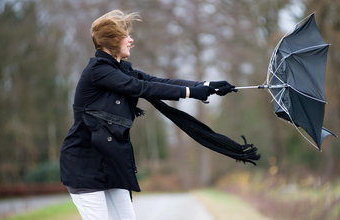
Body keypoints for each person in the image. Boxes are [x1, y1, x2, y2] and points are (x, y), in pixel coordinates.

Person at [59, 9, 235, 220]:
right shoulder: (98, 71)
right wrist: (190, 92)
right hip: (85, 165)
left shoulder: (120, 69)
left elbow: (157, 82)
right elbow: (140, 87)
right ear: (113, 41)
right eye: (126, 36)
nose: (131, 40)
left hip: (111, 163)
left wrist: (205, 86)